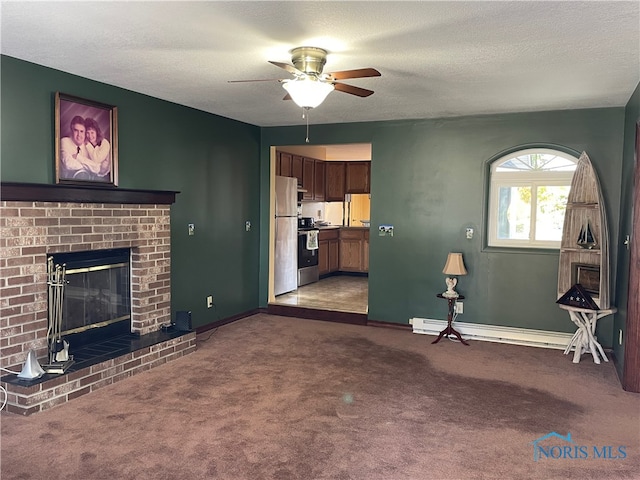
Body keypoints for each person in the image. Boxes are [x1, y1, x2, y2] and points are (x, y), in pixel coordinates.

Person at [59, 115, 102, 180]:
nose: (79, 135)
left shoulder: (87, 146)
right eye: (76, 130)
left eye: (81, 131)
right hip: (67, 184)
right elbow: (68, 164)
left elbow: (97, 168)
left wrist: (78, 157)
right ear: (71, 130)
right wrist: (88, 166)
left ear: (85, 132)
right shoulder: (64, 141)